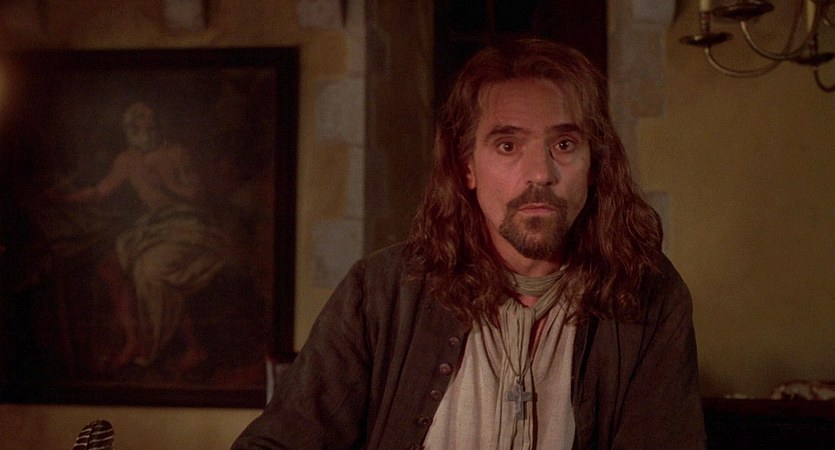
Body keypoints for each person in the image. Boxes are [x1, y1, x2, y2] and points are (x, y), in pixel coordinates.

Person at [232, 39, 705, 449]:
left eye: (563, 144)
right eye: (508, 145)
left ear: (594, 164)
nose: (540, 174)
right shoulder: (381, 292)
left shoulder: (649, 294)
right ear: (467, 168)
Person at [64, 101, 233, 370]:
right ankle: (133, 340)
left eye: (150, 128)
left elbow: (196, 194)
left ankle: (191, 348)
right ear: (129, 132)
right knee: (110, 267)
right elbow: (99, 191)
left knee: (150, 273)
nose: (146, 133)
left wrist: (167, 184)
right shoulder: (127, 160)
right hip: (154, 228)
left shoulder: (176, 153)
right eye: (137, 130)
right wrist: (62, 199)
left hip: (187, 226)